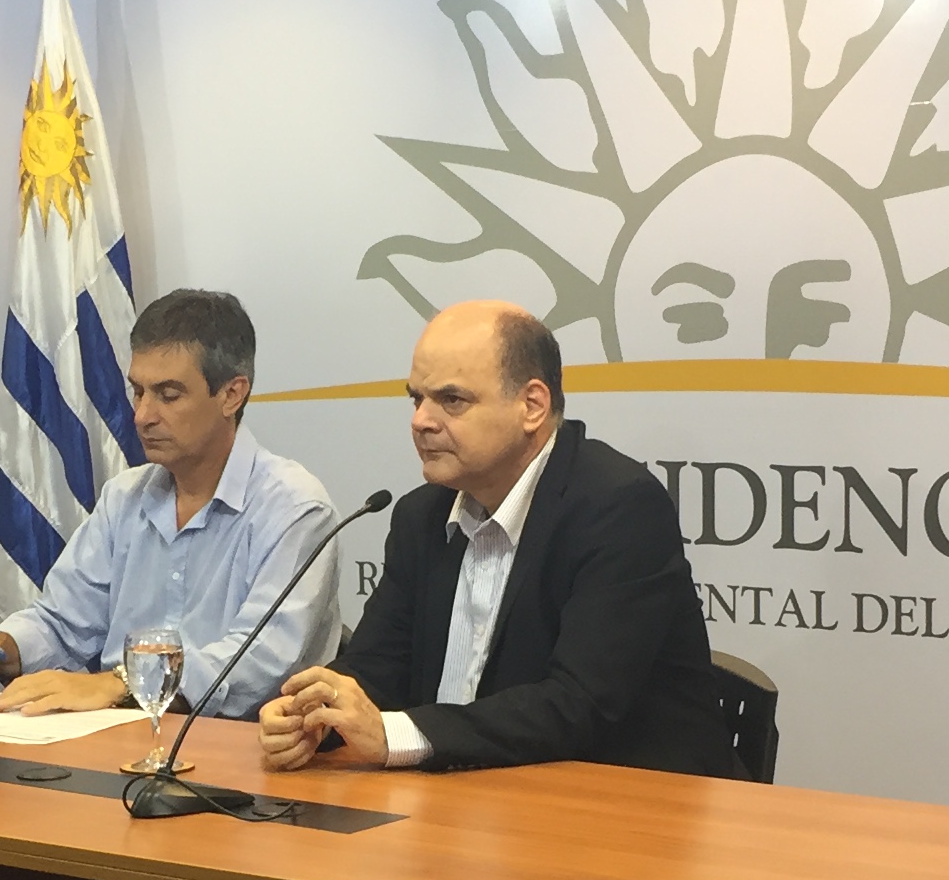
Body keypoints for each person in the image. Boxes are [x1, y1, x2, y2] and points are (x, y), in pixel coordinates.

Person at [259, 299, 751, 778]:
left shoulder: (618, 507)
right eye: (417, 398)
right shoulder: (421, 516)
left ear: (532, 405)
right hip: (466, 795)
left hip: (622, 808)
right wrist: (317, 717)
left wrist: (397, 736)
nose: (420, 421)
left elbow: (576, 704)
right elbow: (380, 665)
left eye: (451, 400)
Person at [0, 290, 334, 721]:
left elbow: (257, 660)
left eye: (168, 395)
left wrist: (118, 684)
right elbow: (62, 623)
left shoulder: (294, 507)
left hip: (240, 754)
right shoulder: (124, 497)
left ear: (231, 395)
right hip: (114, 742)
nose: (142, 416)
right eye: (137, 392)